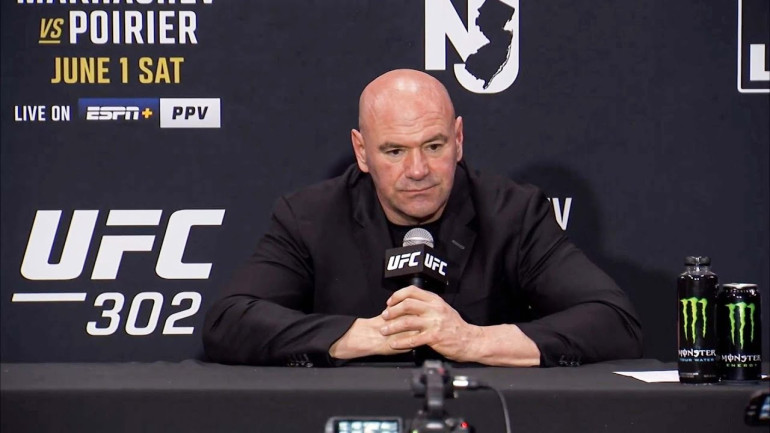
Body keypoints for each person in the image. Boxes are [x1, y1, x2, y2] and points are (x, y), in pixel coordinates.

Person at [203, 69, 643, 367]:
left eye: (434, 146)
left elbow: (614, 320)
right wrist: (358, 335)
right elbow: (228, 321)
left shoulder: (514, 213)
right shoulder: (310, 216)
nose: (418, 170)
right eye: (394, 151)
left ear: (458, 139)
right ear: (362, 152)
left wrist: (472, 341)